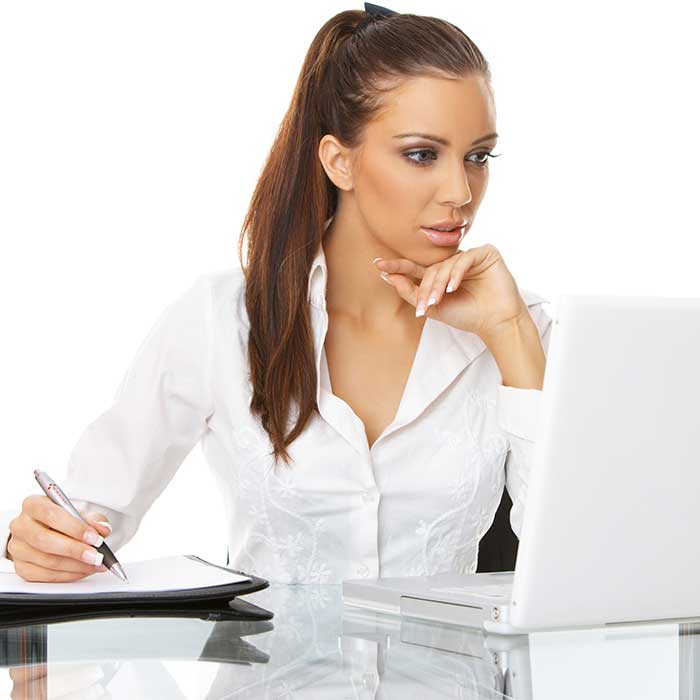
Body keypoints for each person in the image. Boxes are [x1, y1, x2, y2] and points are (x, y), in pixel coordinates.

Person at [1, 6, 552, 584]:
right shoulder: (221, 320)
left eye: (478, 157)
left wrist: (510, 334)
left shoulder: (520, 326)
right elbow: (84, 522)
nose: (461, 191)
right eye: (422, 155)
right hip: (264, 647)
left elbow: (578, 565)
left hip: (451, 650)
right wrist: (37, 542)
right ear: (339, 161)